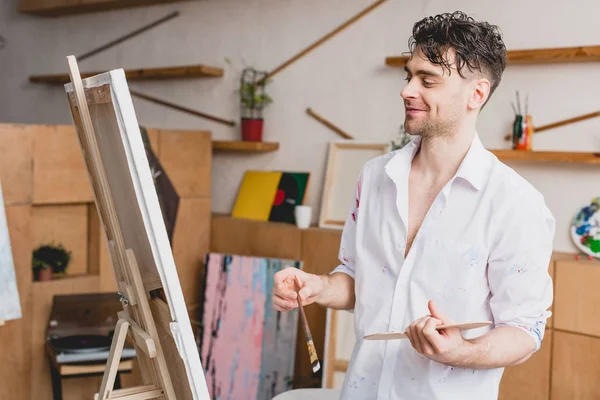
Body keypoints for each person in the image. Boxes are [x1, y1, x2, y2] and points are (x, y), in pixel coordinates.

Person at [273, 10, 554, 400]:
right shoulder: (374, 178)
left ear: (477, 94)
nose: (407, 90)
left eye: (428, 80)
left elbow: (525, 329)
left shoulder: (516, 203)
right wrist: (318, 288)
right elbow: (357, 279)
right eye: (409, 76)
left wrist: (461, 351)